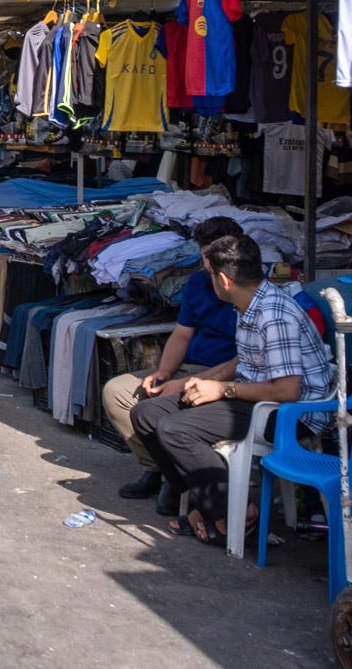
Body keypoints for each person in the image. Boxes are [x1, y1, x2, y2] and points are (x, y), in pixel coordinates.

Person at [129, 234, 334, 544]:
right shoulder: (247, 304)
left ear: (223, 279)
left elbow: (287, 391)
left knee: (174, 429)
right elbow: (247, 361)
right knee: (146, 414)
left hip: (291, 414)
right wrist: (200, 382)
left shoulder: (273, 314)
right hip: (255, 396)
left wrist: (223, 390)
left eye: (210, 273)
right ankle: (209, 506)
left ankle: (236, 516)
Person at [101, 216, 247, 507]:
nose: (205, 263)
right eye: (204, 255)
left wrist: (189, 383)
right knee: (117, 393)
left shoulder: (247, 288)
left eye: (209, 256)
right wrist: (165, 373)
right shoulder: (198, 282)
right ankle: (156, 467)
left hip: (225, 377)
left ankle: (177, 479)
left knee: (155, 412)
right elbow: (181, 334)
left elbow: (243, 359)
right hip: (190, 368)